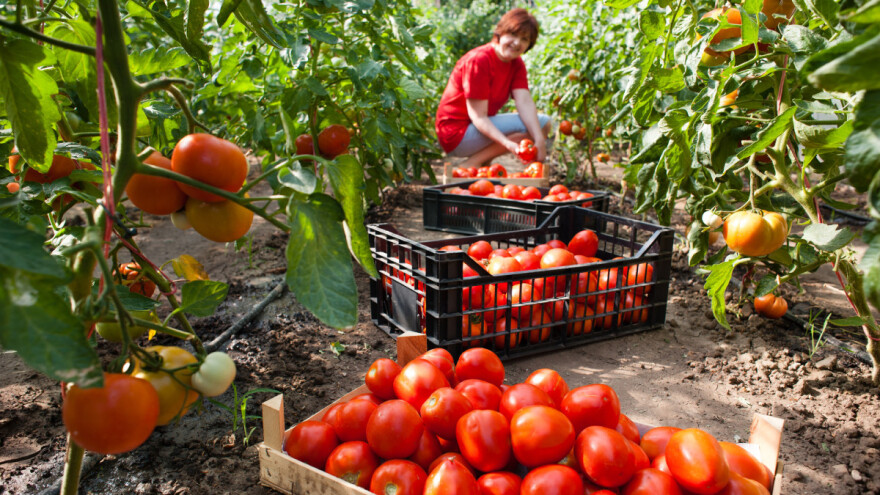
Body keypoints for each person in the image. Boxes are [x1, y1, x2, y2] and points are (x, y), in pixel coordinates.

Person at [435, 8, 552, 171]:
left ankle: (484, 163)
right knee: (541, 123)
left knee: (540, 126)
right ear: (500, 33)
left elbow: (524, 101)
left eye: (524, 39)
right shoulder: (479, 60)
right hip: (456, 135)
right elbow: (478, 116)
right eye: (513, 34)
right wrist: (507, 144)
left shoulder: (516, 64)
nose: (517, 42)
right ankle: (471, 164)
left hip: (475, 131)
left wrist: (540, 140)